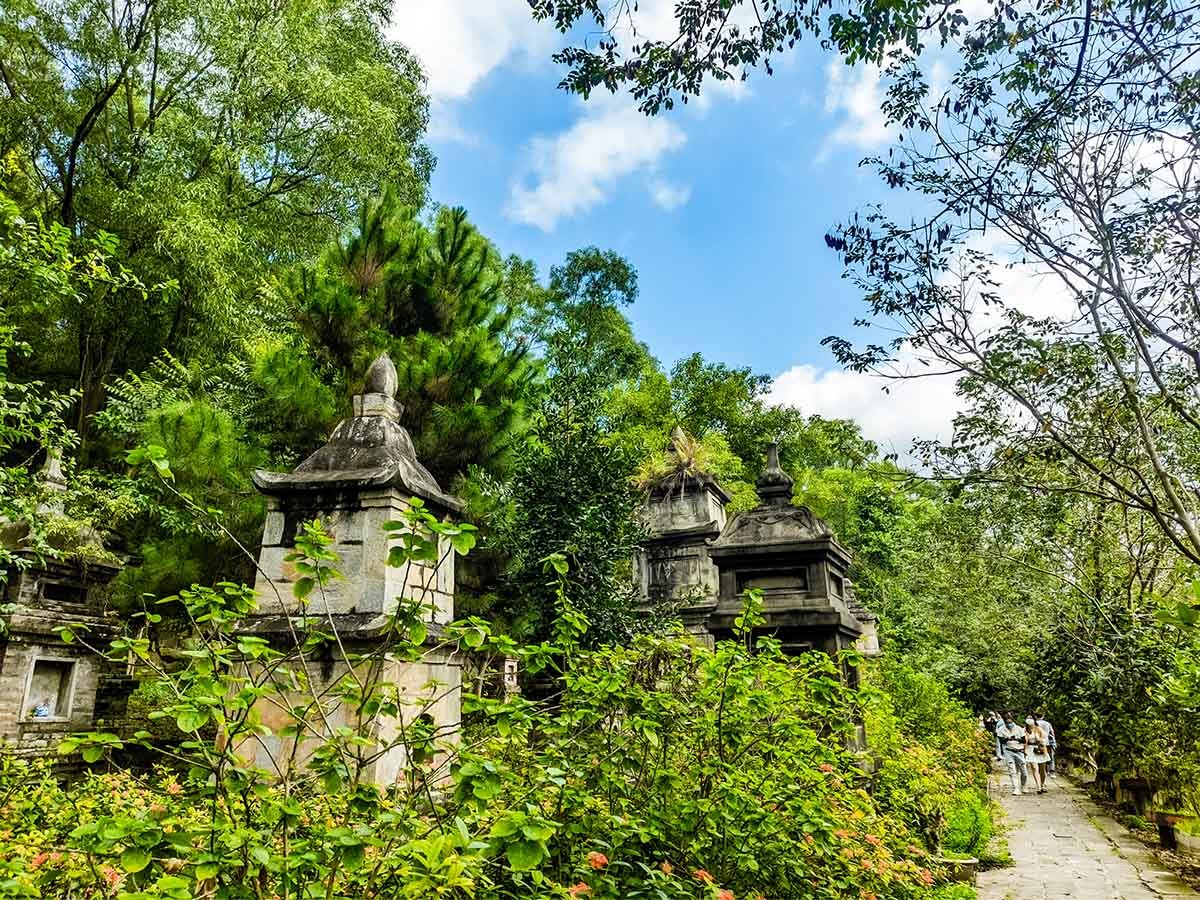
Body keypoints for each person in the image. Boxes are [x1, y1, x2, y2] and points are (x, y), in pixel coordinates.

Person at [995, 711, 1028, 796]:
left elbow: (1024, 740)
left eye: (1010, 722)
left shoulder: (1019, 729)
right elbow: (1001, 741)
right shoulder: (1001, 729)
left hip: (1019, 751)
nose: (1009, 724)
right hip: (1009, 751)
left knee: (1024, 771)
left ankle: (1023, 785)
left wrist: (1016, 739)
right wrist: (1008, 738)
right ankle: (1016, 788)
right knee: (1012, 771)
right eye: (1007, 723)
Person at [1023, 716, 1051, 794]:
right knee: (1035, 768)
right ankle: (1038, 786)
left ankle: (1042, 785)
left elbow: (1045, 739)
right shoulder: (1024, 730)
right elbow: (1023, 741)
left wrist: (1040, 740)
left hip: (1040, 749)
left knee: (1042, 769)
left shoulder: (1038, 729)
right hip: (1030, 750)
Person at [1035, 710, 1056, 777]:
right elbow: (1052, 733)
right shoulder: (1047, 723)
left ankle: (1041, 771)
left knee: (1039, 757)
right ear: (1043, 716)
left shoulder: (1035, 723)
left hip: (1037, 743)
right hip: (1047, 743)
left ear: (1036, 716)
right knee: (1050, 757)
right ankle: (1051, 771)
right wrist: (1053, 741)